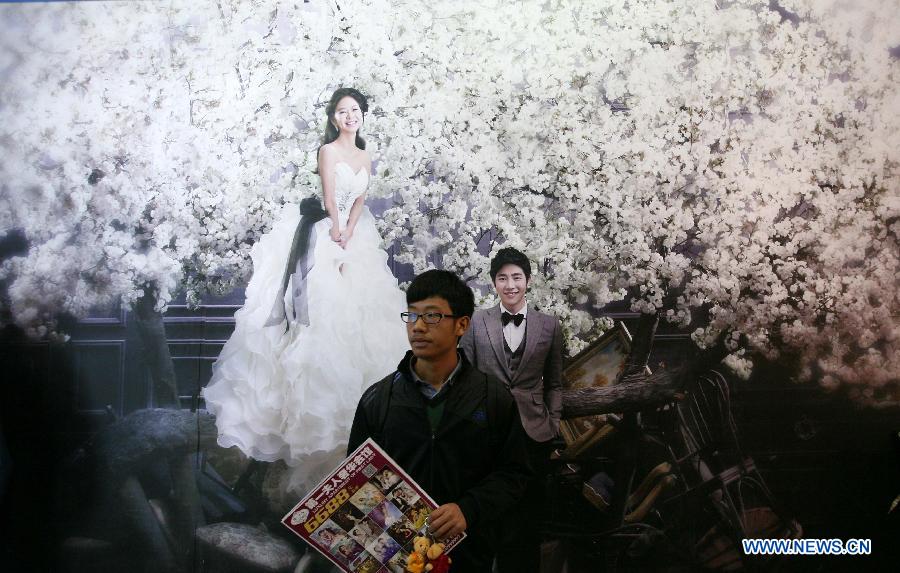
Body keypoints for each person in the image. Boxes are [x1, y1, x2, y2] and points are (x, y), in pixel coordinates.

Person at [203, 87, 410, 493]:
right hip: (326, 232)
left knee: (361, 321)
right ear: (333, 118)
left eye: (355, 111)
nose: (350, 116)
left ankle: (355, 427)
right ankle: (307, 431)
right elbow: (332, 197)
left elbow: (360, 197)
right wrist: (338, 230)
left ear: (362, 116)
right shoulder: (328, 151)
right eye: (342, 111)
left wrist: (352, 229)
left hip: (357, 230)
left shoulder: (364, 154)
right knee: (320, 320)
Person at [348, 270, 532, 573]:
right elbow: (357, 481)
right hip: (396, 558)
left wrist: (468, 509)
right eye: (411, 316)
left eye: (432, 317)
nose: (418, 327)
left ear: (461, 325)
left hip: (469, 555)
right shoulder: (378, 399)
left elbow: (514, 474)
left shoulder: (493, 397)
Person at [458, 247, 564, 573]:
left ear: (528, 281)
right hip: (488, 435)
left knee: (527, 521)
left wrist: (554, 423)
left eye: (516, 277)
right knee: (489, 516)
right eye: (502, 278)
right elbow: (464, 380)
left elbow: (556, 384)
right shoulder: (476, 322)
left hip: (534, 434)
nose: (510, 284)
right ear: (494, 283)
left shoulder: (549, 326)